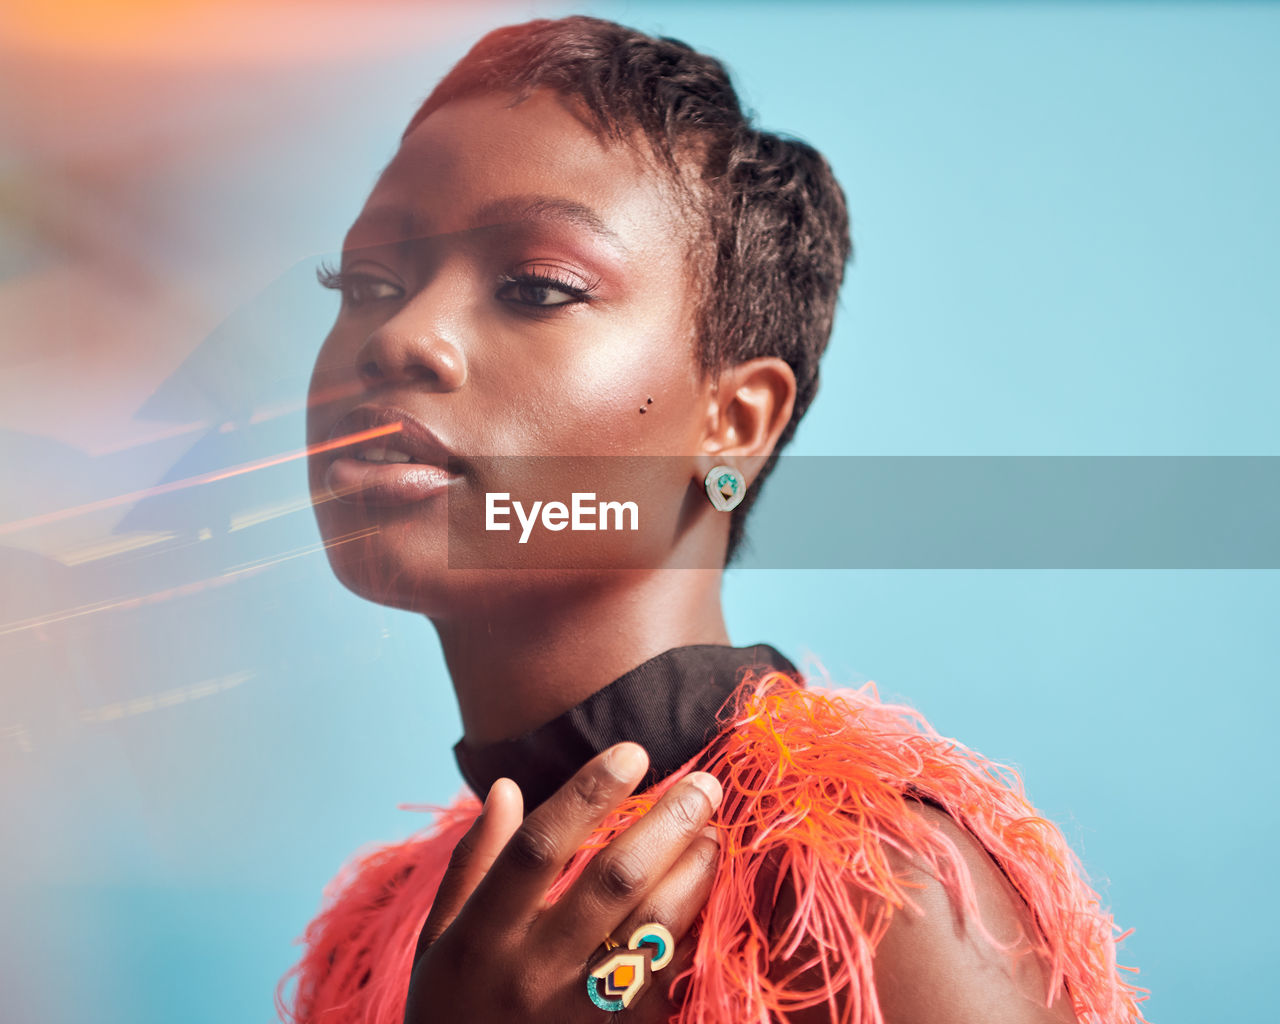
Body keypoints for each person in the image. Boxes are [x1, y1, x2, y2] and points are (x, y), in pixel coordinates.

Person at [276, 15, 1145, 1024]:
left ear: (734, 425)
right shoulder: (376, 938)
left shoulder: (873, 898)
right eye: (367, 283)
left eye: (536, 288)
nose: (400, 336)